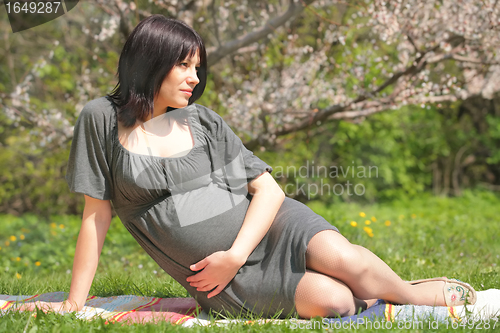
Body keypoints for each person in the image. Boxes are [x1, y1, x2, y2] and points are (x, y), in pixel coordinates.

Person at [19, 15, 476, 319]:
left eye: (198, 66)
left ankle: (414, 293)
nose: (195, 78)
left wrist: (235, 252)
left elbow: (270, 191)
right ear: (149, 62)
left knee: (347, 259)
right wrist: (75, 304)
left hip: (268, 227)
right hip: (223, 279)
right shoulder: (100, 119)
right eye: (183, 65)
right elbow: (95, 216)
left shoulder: (203, 121)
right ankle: (378, 293)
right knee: (336, 302)